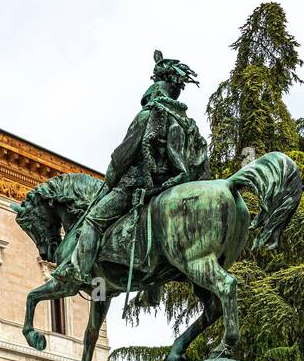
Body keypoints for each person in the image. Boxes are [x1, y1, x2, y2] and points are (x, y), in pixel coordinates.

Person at [51, 51, 209, 289]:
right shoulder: (185, 121)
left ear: (159, 85)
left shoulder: (149, 115)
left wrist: (111, 179)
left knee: (93, 220)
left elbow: (124, 155)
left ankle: (77, 270)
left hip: (136, 185)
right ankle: (126, 287)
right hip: (169, 185)